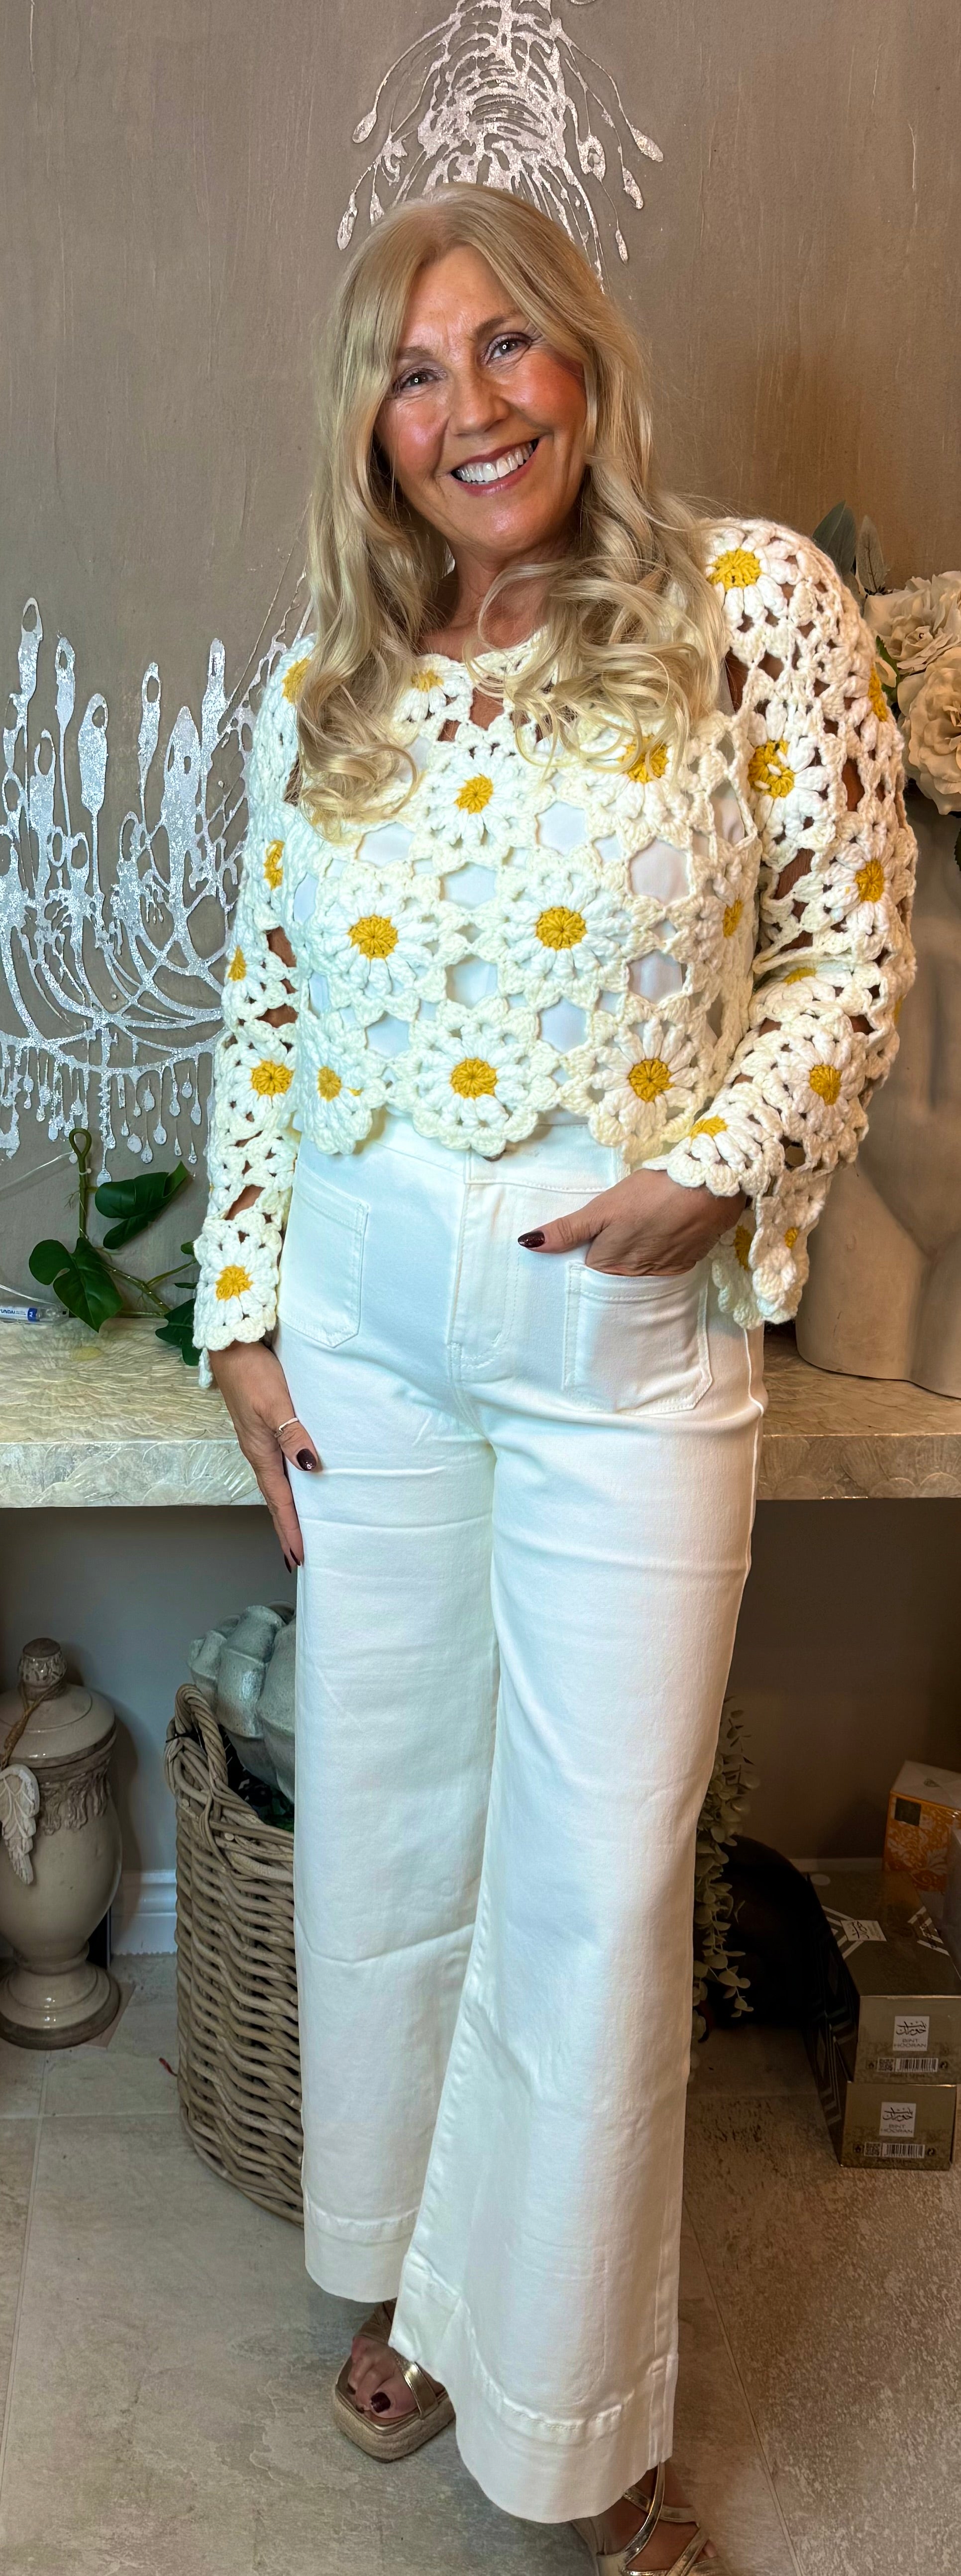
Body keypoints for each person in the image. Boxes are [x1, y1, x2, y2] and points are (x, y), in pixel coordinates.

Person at [194, 185, 914, 2574]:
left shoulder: (746, 607)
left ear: (584, 360)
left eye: (508, 345)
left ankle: (580, 2418)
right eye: (415, 371)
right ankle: (415, 2289)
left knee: (599, 1887)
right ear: (369, 428)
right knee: (396, 1831)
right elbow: (265, 998)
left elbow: (848, 948)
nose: (471, 404)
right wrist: (240, 1308)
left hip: (622, 1337)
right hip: (375, 1334)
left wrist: (718, 1167)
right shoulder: (330, 682)